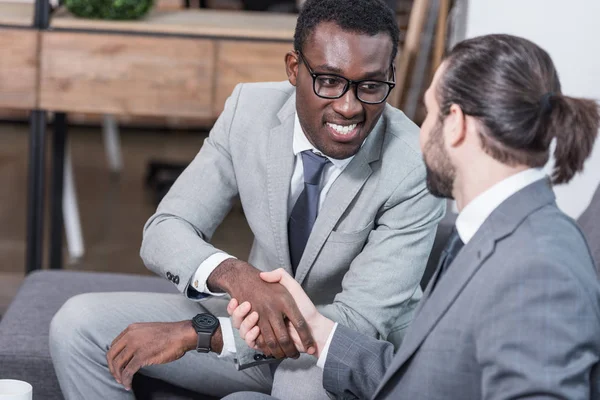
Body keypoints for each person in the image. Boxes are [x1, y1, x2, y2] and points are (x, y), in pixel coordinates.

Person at [48, 0, 445, 399]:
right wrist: (237, 275)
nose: (349, 106)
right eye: (328, 80)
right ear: (294, 69)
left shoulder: (413, 167)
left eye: (371, 86)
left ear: (389, 77)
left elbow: (356, 323)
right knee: (77, 325)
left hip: (336, 355)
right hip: (253, 325)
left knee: (293, 383)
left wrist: (203, 334)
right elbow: (166, 228)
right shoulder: (248, 111)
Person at [227, 33, 600, 400]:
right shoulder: (491, 233)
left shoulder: (538, 267)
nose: (420, 137)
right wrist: (318, 329)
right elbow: (427, 378)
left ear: (455, 124)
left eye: (430, 113)